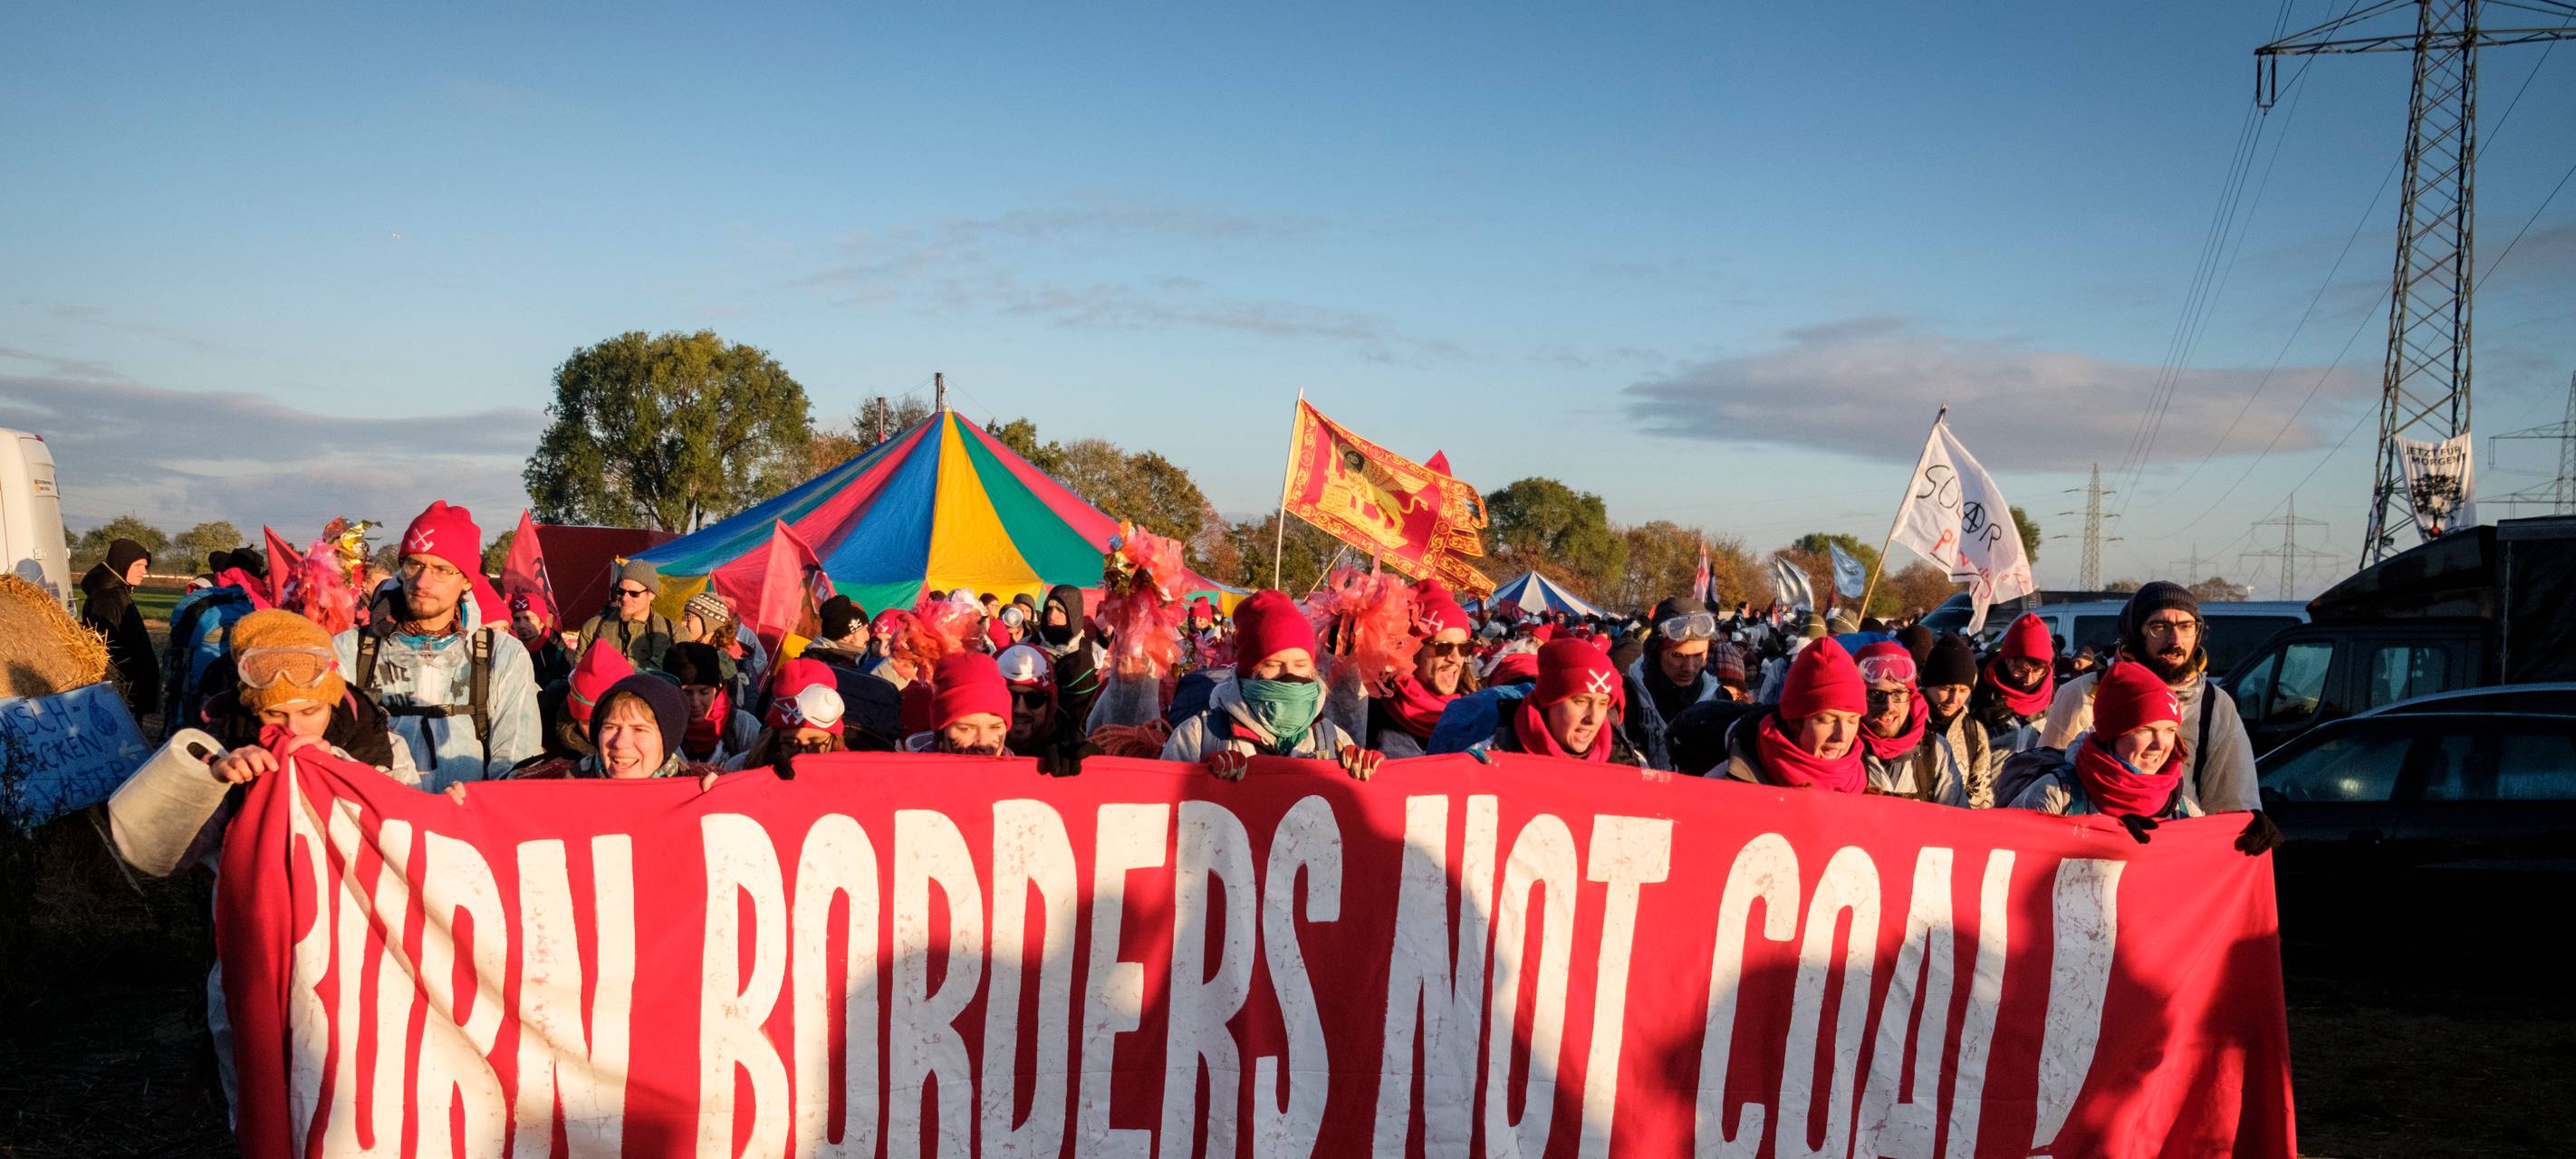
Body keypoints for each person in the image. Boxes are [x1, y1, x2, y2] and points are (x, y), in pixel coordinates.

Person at [100, 608, 418, 1113]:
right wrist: (207, 782)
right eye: (276, 715)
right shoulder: (221, 737)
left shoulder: (379, 741)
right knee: (249, 1055)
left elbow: (409, 841)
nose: (295, 730)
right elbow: (156, 855)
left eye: (309, 712)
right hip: (252, 939)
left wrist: (351, 779)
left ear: (332, 696)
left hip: (358, 943)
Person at [2040, 582, 2283, 852]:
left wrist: (2248, 825)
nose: (2175, 640)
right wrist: (2111, 809)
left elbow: (2232, 798)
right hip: (2091, 855)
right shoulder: (2084, 693)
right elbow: (2051, 777)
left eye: (2186, 626)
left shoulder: (2214, 704)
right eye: (2160, 627)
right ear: (2135, 633)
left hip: (2174, 859)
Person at [332, 502, 541, 789]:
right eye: (414, 564)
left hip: (465, 825)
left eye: (442, 570)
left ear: (467, 581)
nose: (422, 581)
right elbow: (329, 756)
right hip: (377, 824)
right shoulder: (350, 650)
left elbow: (515, 766)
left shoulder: (502, 655)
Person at [2004, 662, 2257, 853]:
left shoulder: (2181, 807)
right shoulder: (2057, 796)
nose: (2160, 744)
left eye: (2170, 730)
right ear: (2113, 734)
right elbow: (2003, 866)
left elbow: (2207, 882)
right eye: (2145, 730)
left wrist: (2241, 838)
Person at [1163, 589, 1379, 781]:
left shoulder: (1334, 740)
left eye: (1301, 664)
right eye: (1274, 664)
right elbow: (1162, 811)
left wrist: (1367, 777)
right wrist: (1197, 781)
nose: (1290, 674)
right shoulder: (1198, 737)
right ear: (1249, 671)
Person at [467, 673, 718, 788]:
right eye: (611, 727)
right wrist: (465, 806)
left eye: (640, 729)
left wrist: (721, 803)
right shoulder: (556, 782)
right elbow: (496, 811)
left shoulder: (700, 783)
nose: (621, 743)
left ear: (668, 738)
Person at [1466, 637, 1642, 764]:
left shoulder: (1626, 762)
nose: (1593, 718)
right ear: (1548, 702)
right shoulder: (1493, 755)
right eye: (1580, 701)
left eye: (1603, 703)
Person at [1723, 637, 1867, 791]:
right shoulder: (1735, 778)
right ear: (1794, 722)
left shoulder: (1864, 778)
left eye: (1852, 720)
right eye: (1827, 720)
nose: (1842, 737)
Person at [1365, 583, 1477, 758]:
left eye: (1464, 648)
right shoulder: (1374, 708)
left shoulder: (1477, 712)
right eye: (1443, 648)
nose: (1455, 658)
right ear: (1414, 650)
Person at [1623, 597, 1728, 770]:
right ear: (1655, 652)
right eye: (1677, 656)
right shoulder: (1628, 696)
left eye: (1698, 655)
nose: (1689, 667)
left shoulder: (1718, 699)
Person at [1852, 640, 1946, 800]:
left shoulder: (1935, 749)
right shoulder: (1841, 749)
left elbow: (1956, 817)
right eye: (1875, 694)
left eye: (1898, 694)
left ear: (1911, 697)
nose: (1889, 706)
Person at [79, 537, 161, 716]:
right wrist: (124, 683)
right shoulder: (108, 599)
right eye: (138, 565)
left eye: (145, 566)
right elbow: (106, 648)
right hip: (121, 690)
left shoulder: (119, 592)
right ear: (123, 564)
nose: (144, 571)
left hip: (129, 687)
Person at [1918, 633, 1994, 806]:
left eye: (1963, 690)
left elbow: (1980, 795)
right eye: (1946, 688)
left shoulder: (1973, 731)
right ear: (1928, 684)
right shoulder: (1905, 724)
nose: (1954, 699)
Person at [735, 659, 852, 768]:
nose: (802, 756)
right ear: (774, 741)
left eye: (815, 744)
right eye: (791, 744)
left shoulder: (853, 779)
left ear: (834, 740)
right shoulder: (740, 769)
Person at [997, 643, 1095, 773]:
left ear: (1050, 704)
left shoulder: (1069, 744)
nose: (1020, 709)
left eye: (1035, 699)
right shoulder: (971, 746)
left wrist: (1093, 765)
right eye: (1009, 697)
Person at [1970, 612, 2055, 755]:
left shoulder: (2056, 696)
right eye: (2021, 670)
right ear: (2007, 660)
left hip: (2036, 776)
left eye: (2037, 671)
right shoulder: (1978, 686)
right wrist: (1975, 723)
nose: (2028, 680)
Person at [575, 559, 676, 671]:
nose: (625, 598)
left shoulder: (673, 633)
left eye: (634, 594)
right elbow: (578, 675)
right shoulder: (593, 628)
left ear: (651, 595)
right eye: (621, 591)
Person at [668, 642, 760, 765]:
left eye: (704, 692)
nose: (695, 702)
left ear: (717, 688)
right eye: (687, 693)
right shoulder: (662, 726)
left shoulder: (743, 726)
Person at [908, 651, 1013, 756]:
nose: (983, 742)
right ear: (941, 731)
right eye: (966, 729)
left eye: (995, 727)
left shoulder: (1020, 771)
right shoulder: (914, 771)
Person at [507, 592, 573, 688]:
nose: (522, 625)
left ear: (542, 622)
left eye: (528, 619)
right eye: (517, 619)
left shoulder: (562, 656)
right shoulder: (509, 651)